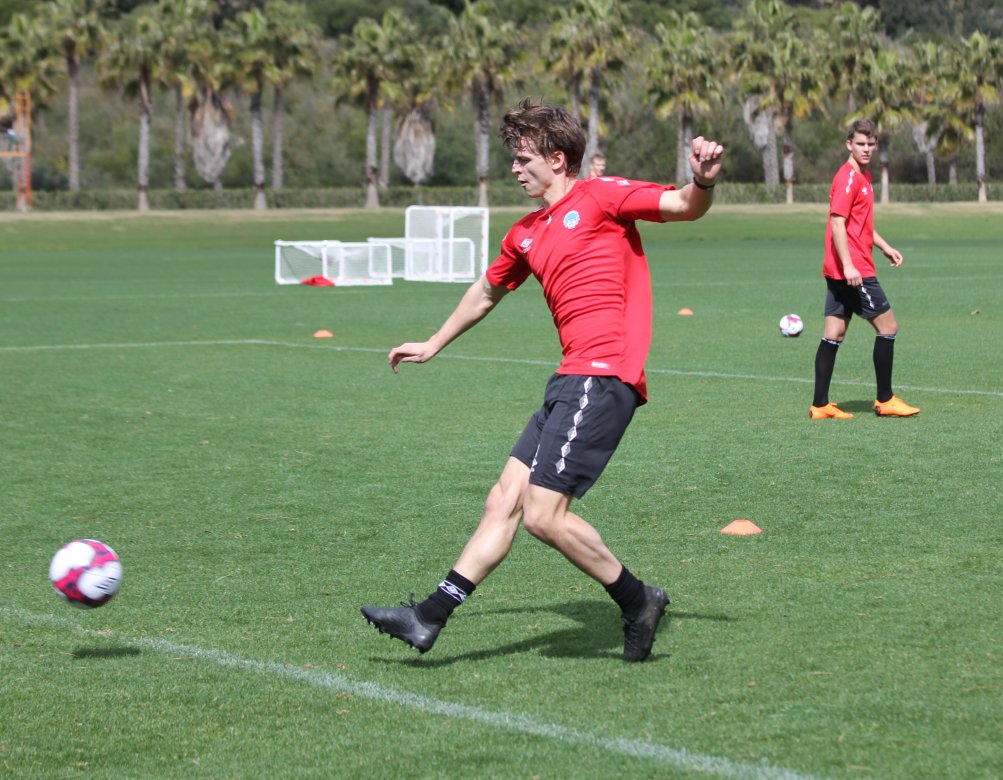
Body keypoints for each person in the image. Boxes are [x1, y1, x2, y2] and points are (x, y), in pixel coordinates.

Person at [360, 99, 724, 662]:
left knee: (542, 515)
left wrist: (702, 180)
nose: (515, 168)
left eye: (524, 158)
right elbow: (487, 291)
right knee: (502, 501)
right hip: (569, 379)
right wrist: (433, 342)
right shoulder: (525, 233)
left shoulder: (601, 197)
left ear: (557, 159)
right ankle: (428, 617)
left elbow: (682, 205)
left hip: (603, 375)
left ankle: (639, 600)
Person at [810, 119, 919, 419]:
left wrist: (884, 246)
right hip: (854, 269)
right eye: (860, 144)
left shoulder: (864, 176)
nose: (866, 149)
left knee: (834, 332)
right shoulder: (848, 178)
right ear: (849, 144)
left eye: (871, 144)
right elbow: (837, 222)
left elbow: (861, 225)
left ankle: (820, 405)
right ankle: (886, 399)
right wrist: (848, 266)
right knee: (888, 327)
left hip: (842, 268)